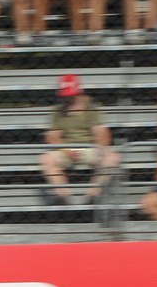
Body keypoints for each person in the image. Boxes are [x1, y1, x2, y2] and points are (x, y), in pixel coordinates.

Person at [39, 73, 121, 204]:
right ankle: (64, 197)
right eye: (65, 95)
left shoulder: (90, 109)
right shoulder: (58, 111)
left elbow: (102, 134)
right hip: (65, 149)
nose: (68, 98)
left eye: (70, 95)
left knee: (113, 158)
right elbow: (52, 136)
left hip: (90, 148)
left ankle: (93, 195)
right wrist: (65, 150)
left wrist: (100, 150)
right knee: (46, 159)